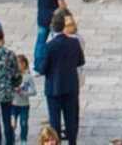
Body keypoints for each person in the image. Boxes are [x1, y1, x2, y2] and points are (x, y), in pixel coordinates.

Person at [37, 12, 85, 144]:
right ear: (64, 26)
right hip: (71, 87)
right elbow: (80, 61)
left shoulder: (49, 46)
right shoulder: (74, 42)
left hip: (54, 88)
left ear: (52, 27)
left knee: (55, 121)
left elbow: (42, 68)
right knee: (71, 120)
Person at [30, 0, 67, 68]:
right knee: (57, 41)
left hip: (42, 16)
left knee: (40, 42)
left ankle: (38, 64)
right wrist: (66, 13)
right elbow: (61, 3)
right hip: (55, 18)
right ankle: (57, 63)